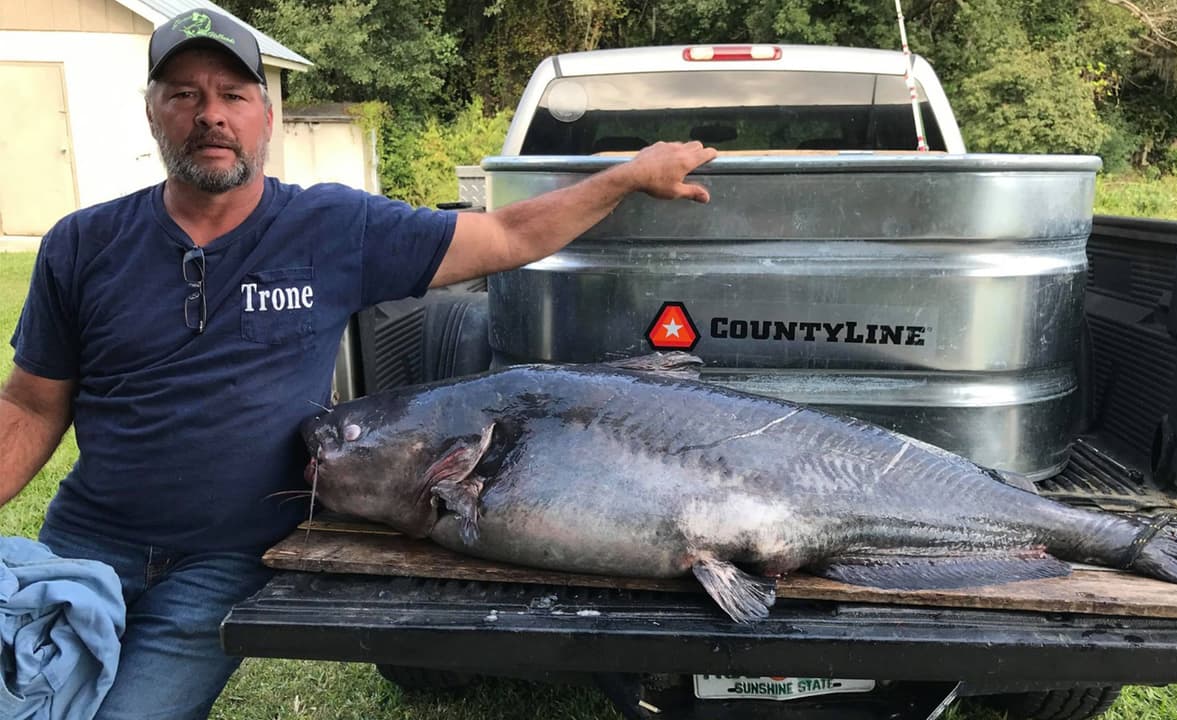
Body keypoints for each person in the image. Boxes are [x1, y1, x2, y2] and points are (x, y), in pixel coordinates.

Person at [0, 7, 716, 719]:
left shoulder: (333, 228)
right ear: (153, 112)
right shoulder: (84, 245)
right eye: (184, 93)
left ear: (266, 115)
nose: (210, 114)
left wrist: (623, 178)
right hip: (85, 543)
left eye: (232, 95)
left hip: (221, 561)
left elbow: (503, 234)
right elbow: (32, 405)